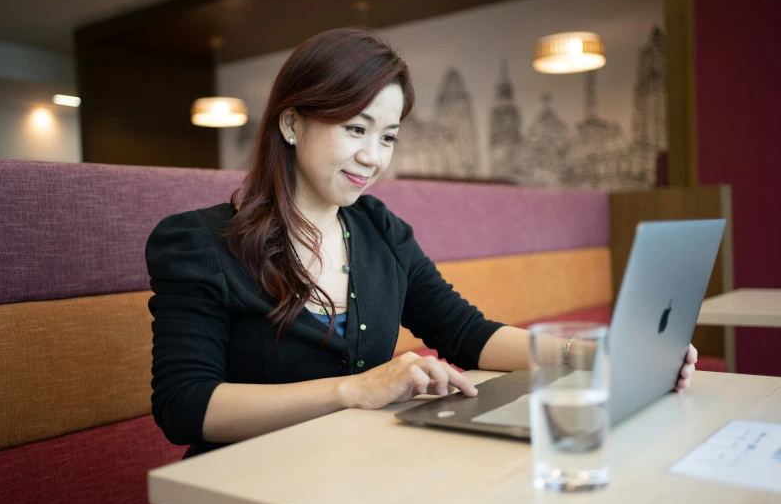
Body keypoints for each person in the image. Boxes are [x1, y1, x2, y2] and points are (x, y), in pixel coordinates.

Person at [145, 27, 698, 458]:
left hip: (361, 470)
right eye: (355, 129)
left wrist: (597, 355)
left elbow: (464, 333)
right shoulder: (196, 242)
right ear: (291, 124)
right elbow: (185, 406)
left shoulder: (377, 228)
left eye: (388, 137)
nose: (373, 157)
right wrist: (353, 390)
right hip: (247, 483)